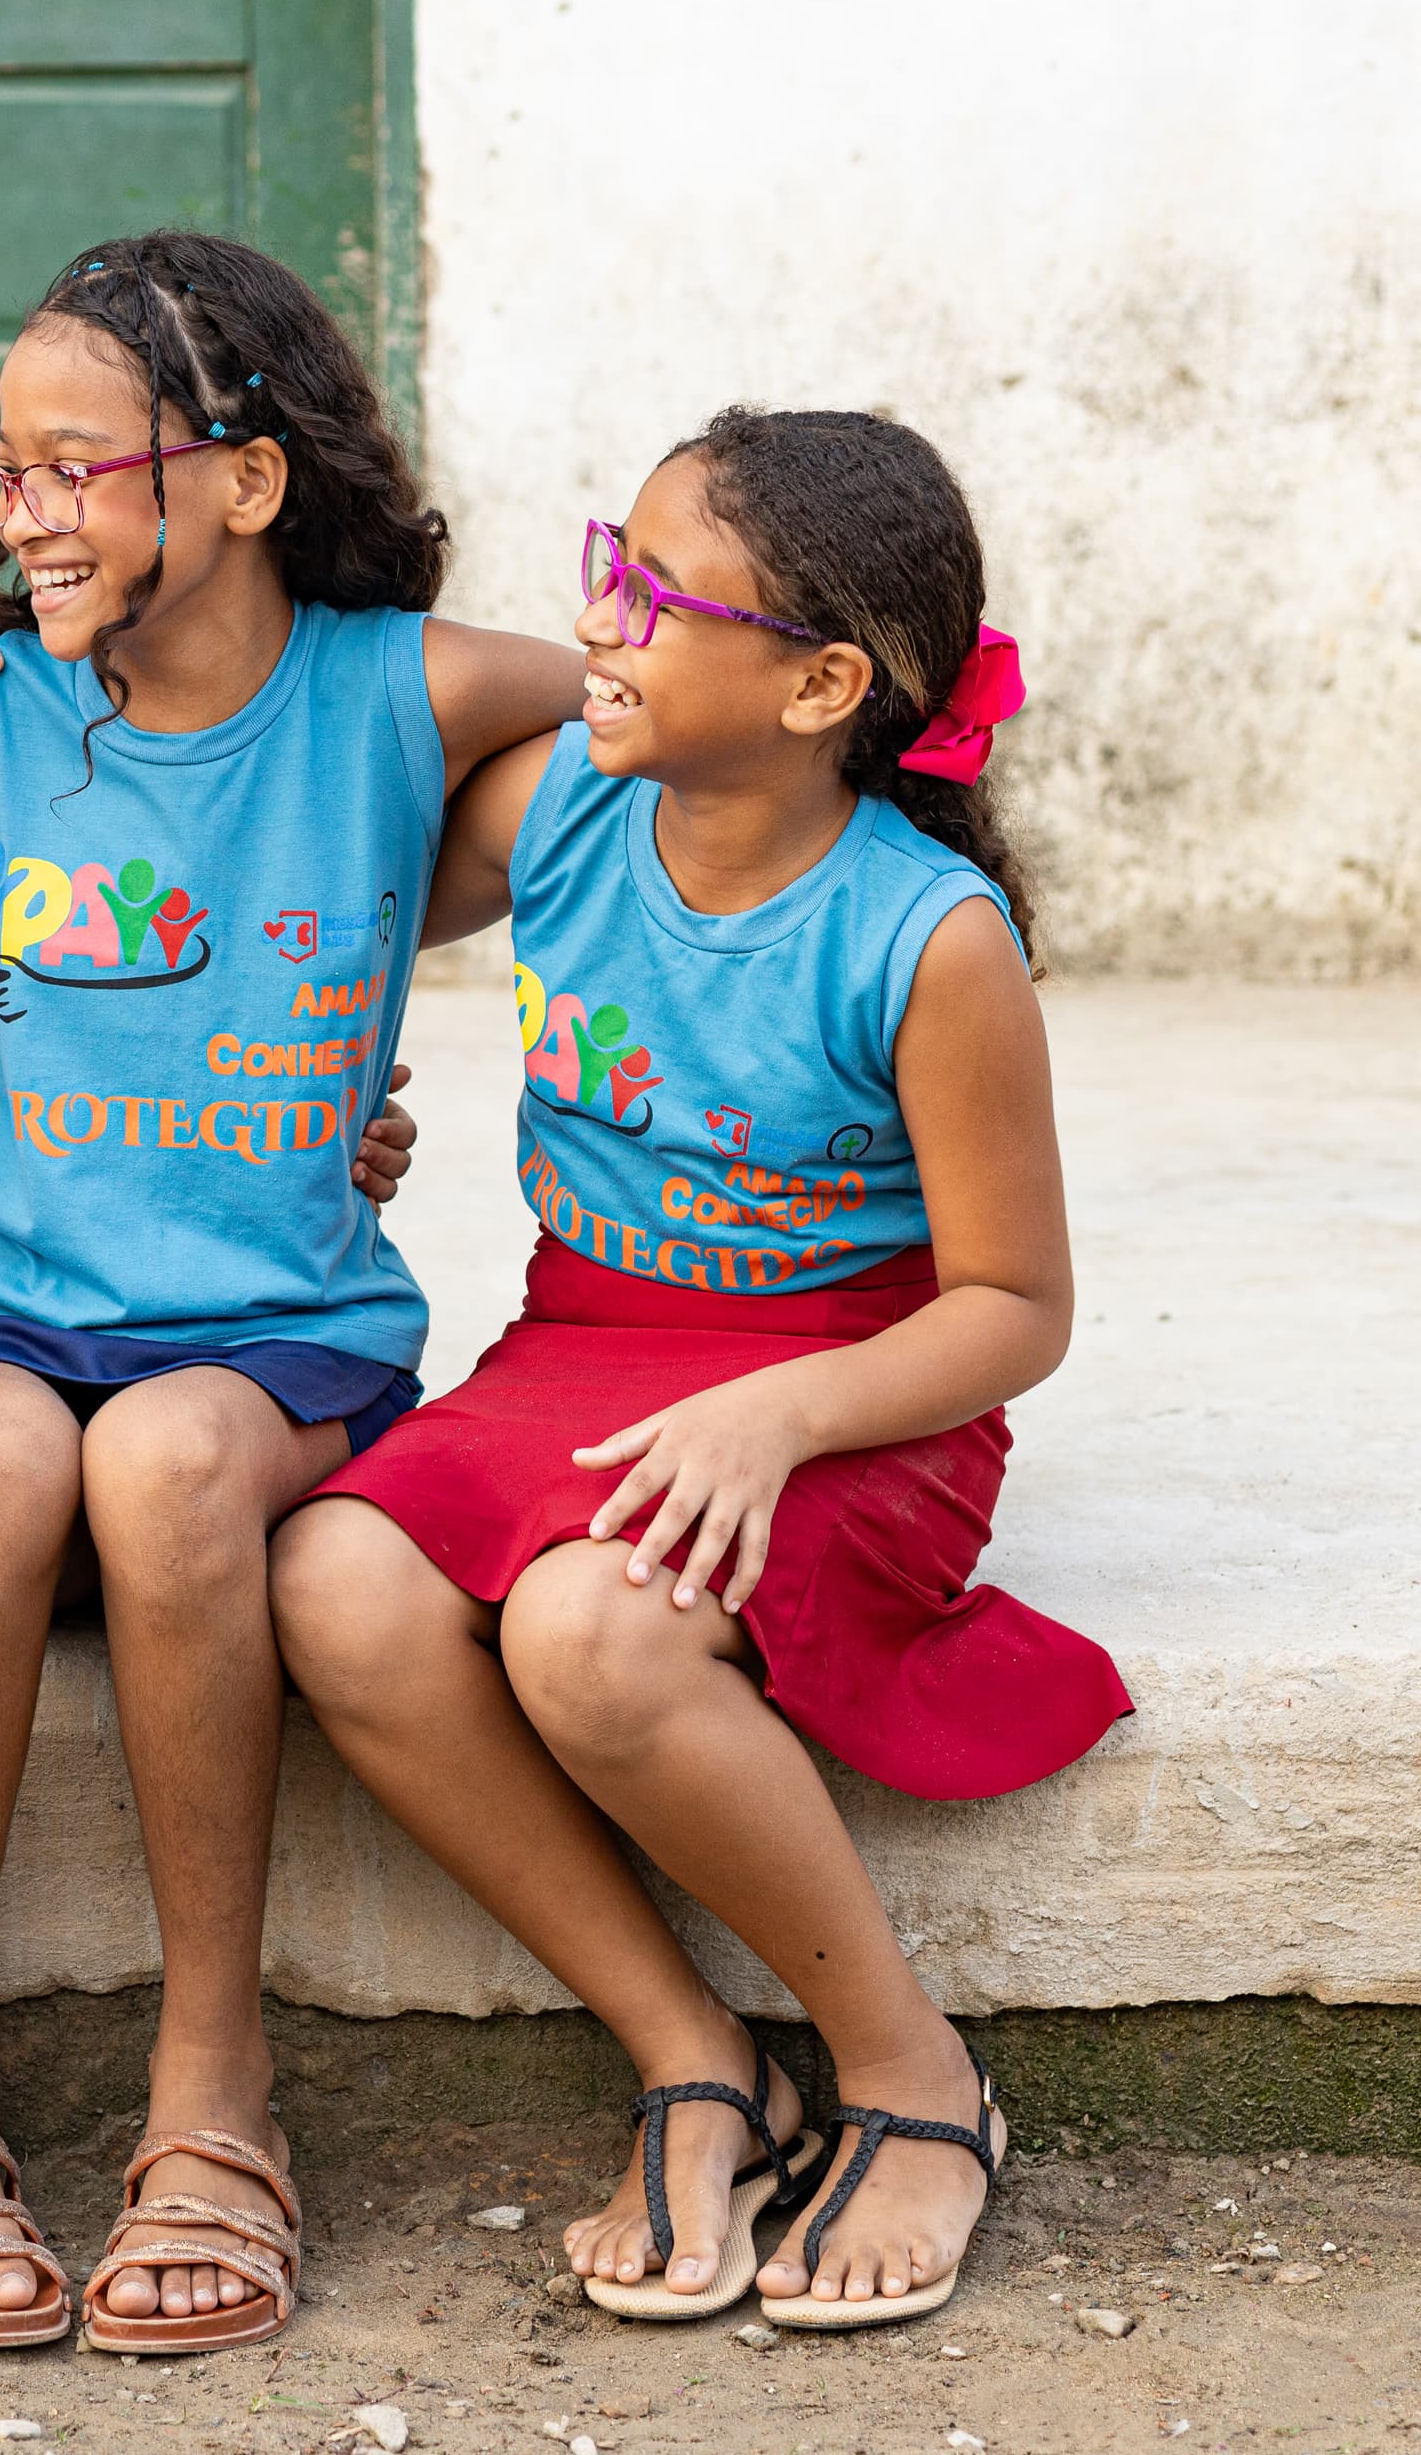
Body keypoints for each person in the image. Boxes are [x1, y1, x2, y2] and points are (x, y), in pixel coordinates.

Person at [0, 230, 585, 2355]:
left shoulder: (402, 684)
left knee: (157, 1461)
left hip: (283, 1327)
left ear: (242, 479)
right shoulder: (2, 709)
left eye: (77, 464)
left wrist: (376, 976)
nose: (22, 511)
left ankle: (213, 2074)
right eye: (7, 469)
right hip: (18, 1305)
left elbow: (654, 707)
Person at [273, 407, 1134, 2334]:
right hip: (583, 1340)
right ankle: (696, 2057)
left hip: (851, 1382)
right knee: (328, 1579)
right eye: (611, 560)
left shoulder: (926, 939)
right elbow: (294, 809)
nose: (602, 621)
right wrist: (320, 1082)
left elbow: (1016, 1305)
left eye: (659, 596)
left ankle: (907, 2068)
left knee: (590, 1634)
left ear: (824, 682)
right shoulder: (564, 800)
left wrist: (779, 1413)